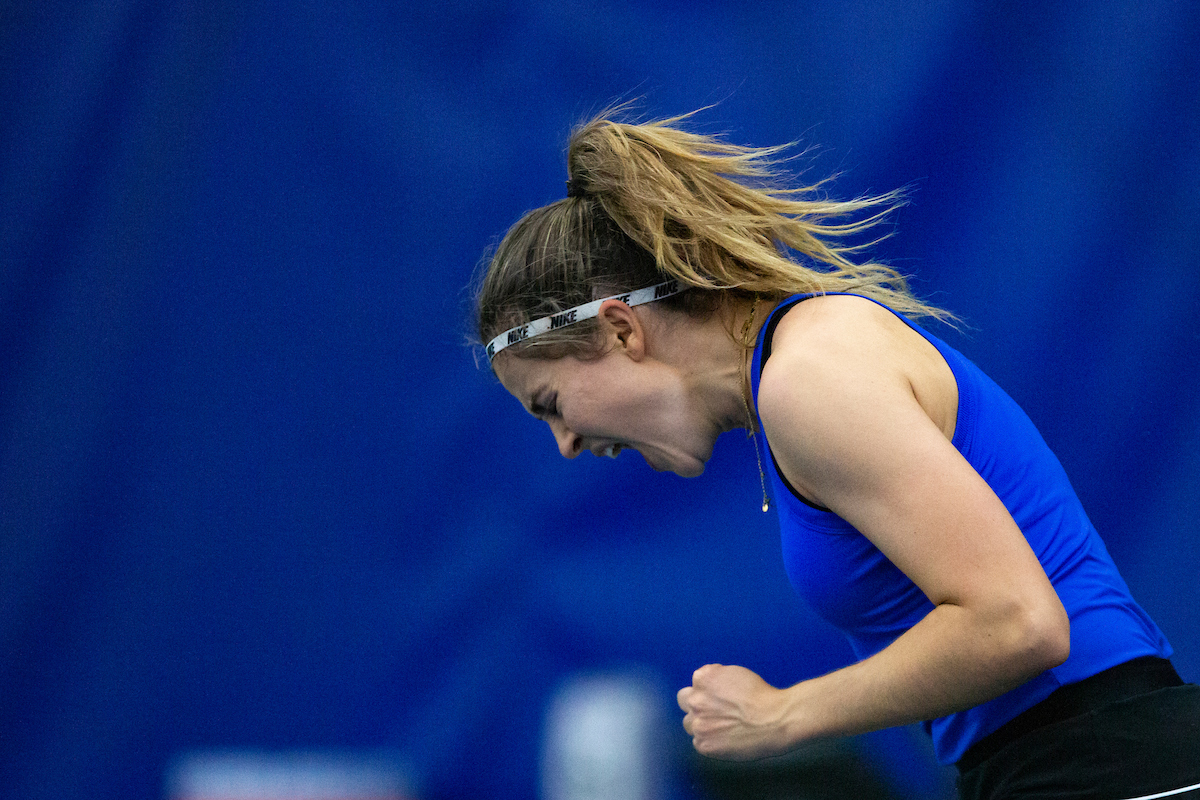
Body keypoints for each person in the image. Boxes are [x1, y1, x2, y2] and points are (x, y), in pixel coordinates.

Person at [473, 108, 1200, 800]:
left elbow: (1018, 622)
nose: (565, 445)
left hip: (1111, 764)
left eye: (551, 404)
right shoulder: (793, 376)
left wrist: (783, 714)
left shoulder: (808, 378)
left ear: (622, 331)